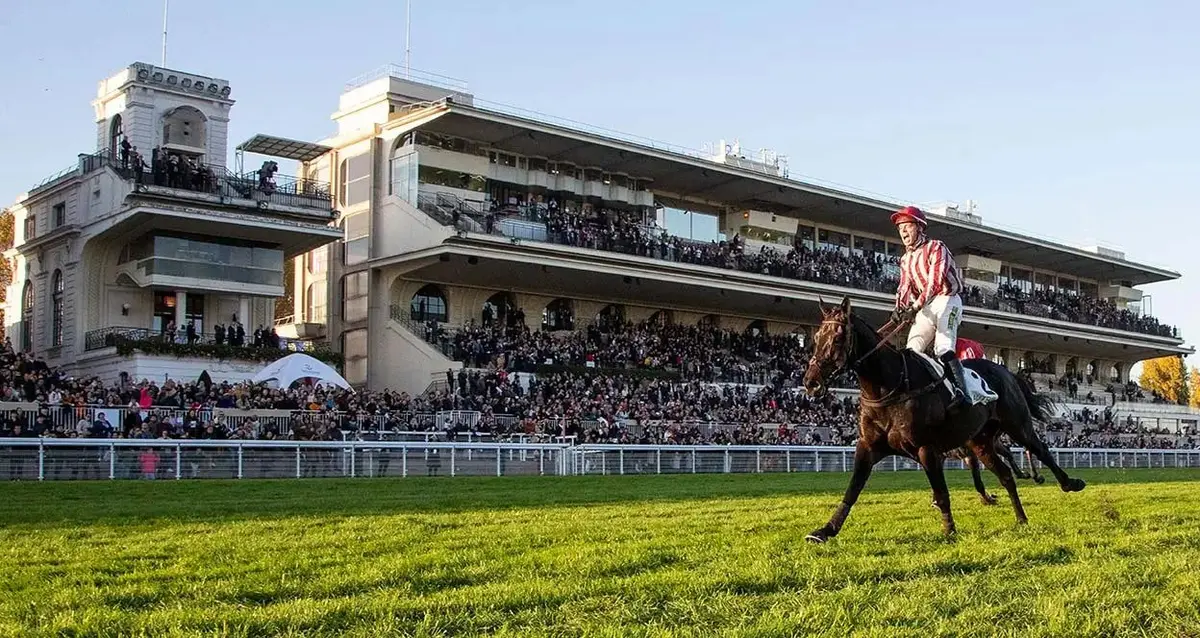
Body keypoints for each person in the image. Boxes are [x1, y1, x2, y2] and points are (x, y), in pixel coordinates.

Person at [888, 206, 968, 409]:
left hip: (947, 299)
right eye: (900, 228)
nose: (903, 232)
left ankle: (961, 391)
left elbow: (934, 282)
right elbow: (904, 286)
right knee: (911, 351)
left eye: (907, 226)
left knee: (943, 347)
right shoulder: (906, 259)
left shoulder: (936, 247)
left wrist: (914, 307)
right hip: (926, 306)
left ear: (920, 227)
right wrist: (899, 308)